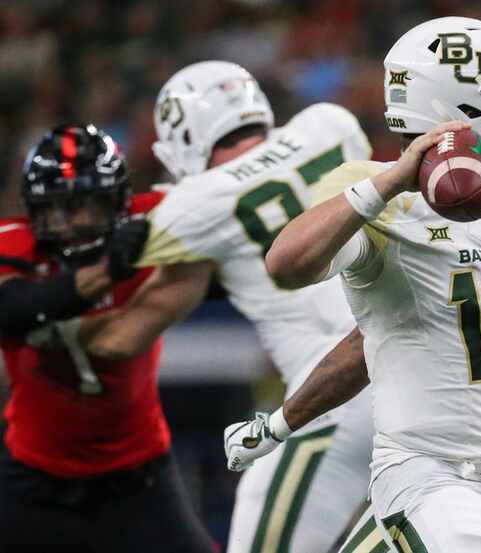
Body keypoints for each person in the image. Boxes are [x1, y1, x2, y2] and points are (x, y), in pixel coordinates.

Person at [226, 17, 481, 553]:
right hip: (431, 474)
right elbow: (286, 265)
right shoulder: (381, 203)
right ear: (463, 107)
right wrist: (394, 179)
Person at [71, 61, 374, 553]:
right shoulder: (330, 123)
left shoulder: (190, 205)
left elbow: (121, 327)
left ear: (182, 139)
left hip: (330, 398)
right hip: (414, 369)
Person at [0, 124, 215, 553]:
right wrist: (107, 270)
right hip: (32, 475)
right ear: (33, 210)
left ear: (118, 202)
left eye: (90, 205)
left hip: (138, 476)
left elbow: (228, 206)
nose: (76, 224)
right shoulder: (15, 244)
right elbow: (13, 310)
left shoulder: (155, 219)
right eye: (59, 209)